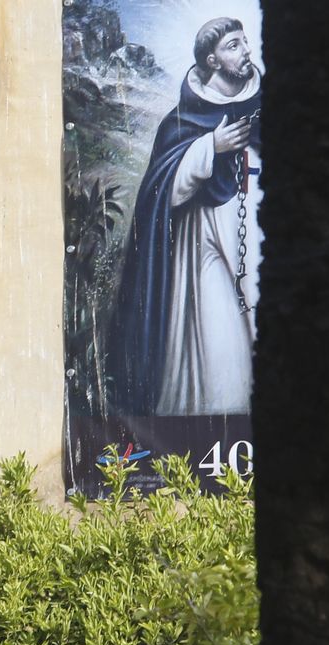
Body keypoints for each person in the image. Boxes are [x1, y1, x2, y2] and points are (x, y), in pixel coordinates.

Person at [111, 17, 261, 417]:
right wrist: (210, 146)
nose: (247, 50)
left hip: (258, 246)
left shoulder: (264, 109)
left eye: (245, 41)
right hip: (203, 252)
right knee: (216, 344)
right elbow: (162, 193)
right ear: (212, 60)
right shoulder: (181, 122)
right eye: (234, 45)